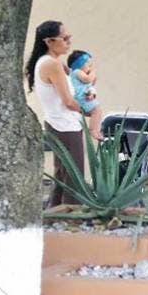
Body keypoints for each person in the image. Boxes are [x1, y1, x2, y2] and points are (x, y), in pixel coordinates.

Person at [25, 20, 86, 206]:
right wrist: (88, 111)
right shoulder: (51, 64)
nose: (69, 42)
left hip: (58, 124)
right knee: (74, 177)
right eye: (64, 38)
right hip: (65, 126)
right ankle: (71, 215)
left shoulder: (50, 63)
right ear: (49, 41)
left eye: (69, 38)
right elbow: (68, 101)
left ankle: (54, 214)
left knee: (62, 175)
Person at [67, 50, 103, 140]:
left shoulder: (81, 74)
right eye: (88, 65)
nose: (90, 67)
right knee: (97, 110)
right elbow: (87, 80)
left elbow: (91, 84)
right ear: (79, 64)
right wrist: (93, 72)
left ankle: (96, 129)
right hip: (80, 98)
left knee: (97, 112)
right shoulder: (77, 72)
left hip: (85, 97)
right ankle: (93, 130)